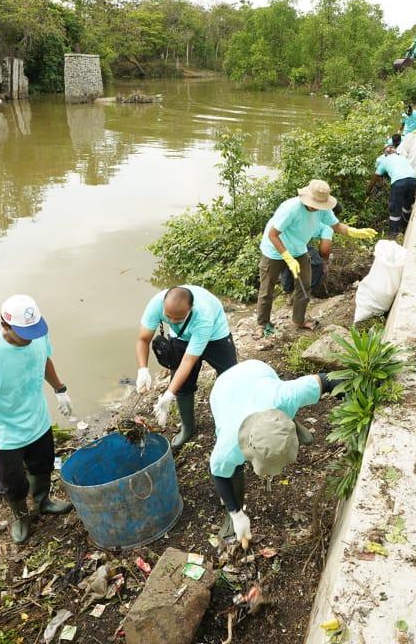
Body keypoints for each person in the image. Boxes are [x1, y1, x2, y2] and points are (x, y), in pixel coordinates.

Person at [0, 295, 73, 544]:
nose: (31, 338)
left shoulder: (38, 335)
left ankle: (43, 502)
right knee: (12, 484)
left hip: (38, 420)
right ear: (5, 325)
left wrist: (60, 389)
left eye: (34, 331)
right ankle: (21, 517)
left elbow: (44, 359)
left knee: (43, 466)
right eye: (24, 334)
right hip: (7, 432)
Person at [208, 359, 334, 545]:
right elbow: (219, 474)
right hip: (224, 389)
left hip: (256, 371)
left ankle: (289, 424)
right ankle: (233, 513)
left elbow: (328, 380)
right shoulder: (229, 446)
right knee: (232, 470)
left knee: (283, 411)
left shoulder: (287, 395)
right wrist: (236, 513)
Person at [257, 180, 376, 336]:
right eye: (314, 204)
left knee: (305, 285)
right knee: (267, 288)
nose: (316, 207)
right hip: (274, 250)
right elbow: (272, 235)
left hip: (299, 249)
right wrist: (287, 257)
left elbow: (336, 226)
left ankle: (298, 320)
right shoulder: (291, 209)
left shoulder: (322, 208)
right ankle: (262, 324)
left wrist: (353, 231)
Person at [134, 285, 236, 451]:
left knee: (230, 377)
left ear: (191, 309)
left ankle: (229, 420)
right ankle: (188, 428)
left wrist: (169, 393)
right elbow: (143, 339)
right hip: (181, 337)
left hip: (215, 336)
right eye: (168, 317)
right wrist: (142, 370)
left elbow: (188, 361)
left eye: (179, 318)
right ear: (163, 306)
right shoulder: (156, 304)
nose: (173, 321)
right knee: (182, 384)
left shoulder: (203, 316)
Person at [376, 141, 416, 234]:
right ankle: (404, 226)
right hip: (413, 180)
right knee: (407, 204)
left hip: (399, 182)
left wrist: (369, 190)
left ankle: (393, 233)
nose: (390, 148)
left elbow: (376, 175)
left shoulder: (384, 161)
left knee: (394, 207)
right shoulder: (402, 158)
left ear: (385, 154)